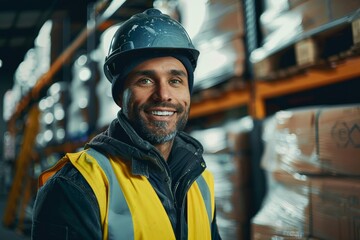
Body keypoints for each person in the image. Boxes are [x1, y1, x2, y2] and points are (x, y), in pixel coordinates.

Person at [31, 8, 221, 240]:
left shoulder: (200, 179)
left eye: (175, 80)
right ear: (120, 96)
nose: (163, 95)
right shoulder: (75, 186)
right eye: (145, 80)